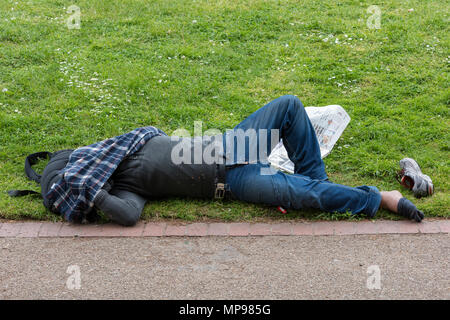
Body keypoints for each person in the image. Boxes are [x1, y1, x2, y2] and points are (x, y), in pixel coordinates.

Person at [42, 95, 425, 225]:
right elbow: (127, 217)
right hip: (230, 185)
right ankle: (380, 198)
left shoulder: (127, 145)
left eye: (82, 168)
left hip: (233, 144)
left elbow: (150, 132)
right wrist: (91, 193)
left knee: (289, 106)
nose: (89, 170)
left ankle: (317, 180)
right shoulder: (124, 188)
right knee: (307, 198)